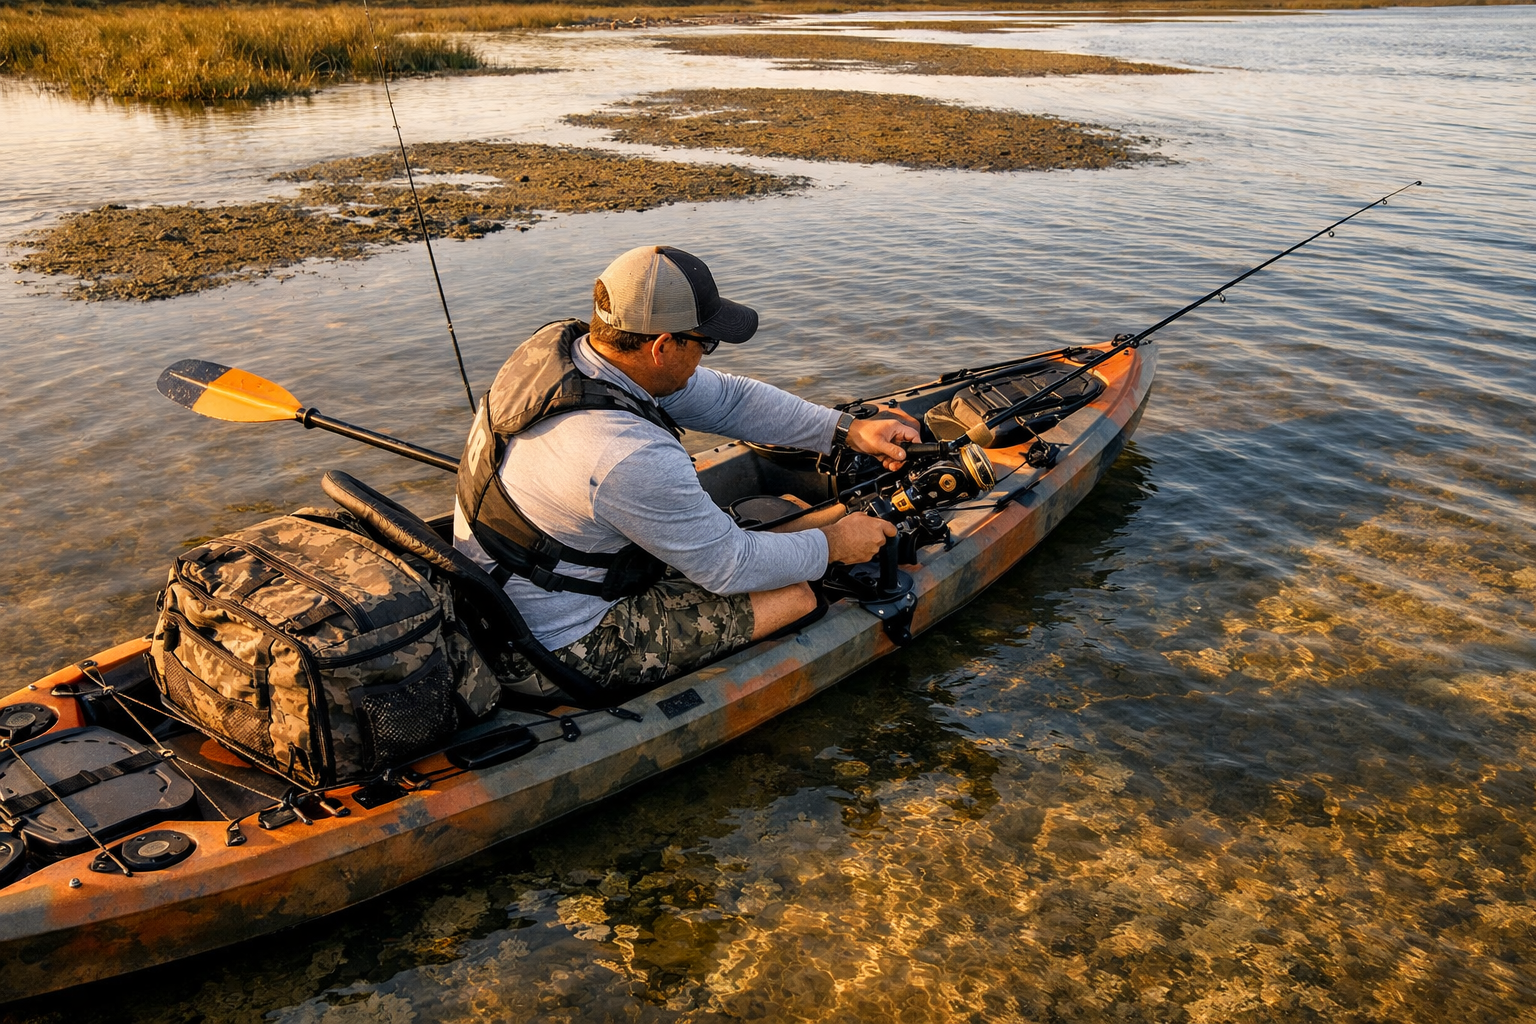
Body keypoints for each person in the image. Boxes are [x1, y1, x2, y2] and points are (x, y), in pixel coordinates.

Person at [453, 244, 918, 693]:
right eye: (706, 343)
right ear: (660, 346)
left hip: (494, 600)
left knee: (790, 533)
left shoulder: (570, 358)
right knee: (797, 596)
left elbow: (731, 400)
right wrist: (835, 545)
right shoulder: (625, 452)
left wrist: (848, 429)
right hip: (548, 646)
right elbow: (730, 568)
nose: (705, 357)